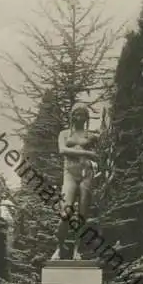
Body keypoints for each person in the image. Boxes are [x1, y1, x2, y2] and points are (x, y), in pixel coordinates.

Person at [51, 102, 100, 260]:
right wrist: (87, 152)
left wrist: (95, 159)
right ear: (72, 116)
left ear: (86, 117)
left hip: (86, 173)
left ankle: (77, 250)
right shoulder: (64, 134)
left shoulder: (91, 136)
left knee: (82, 215)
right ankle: (59, 247)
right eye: (77, 114)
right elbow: (62, 150)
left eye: (83, 114)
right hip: (70, 174)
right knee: (66, 212)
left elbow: (100, 154)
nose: (80, 117)